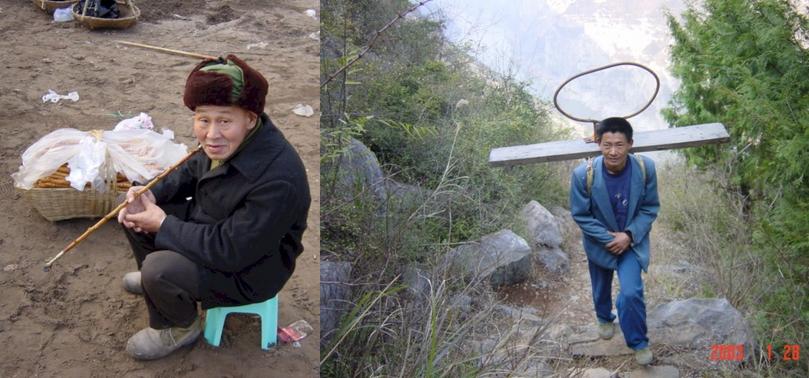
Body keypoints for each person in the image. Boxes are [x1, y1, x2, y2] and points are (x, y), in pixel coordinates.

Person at [116, 55, 311, 360]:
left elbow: (231, 251)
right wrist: (151, 193)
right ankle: (163, 290)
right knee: (137, 213)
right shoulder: (228, 143)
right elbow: (189, 169)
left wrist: (165, 225)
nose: (211, 133)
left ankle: (179, 326)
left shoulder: (278, 178)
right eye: (203, 119)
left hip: (252, 269)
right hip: (215, 227)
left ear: (249, 118)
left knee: (159, 267)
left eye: (224, 120)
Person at [569, 117, 659, 365]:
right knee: (600, 284)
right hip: (600, 241)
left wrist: (628, 236)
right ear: (598, 143)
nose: (613, 151)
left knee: (631, 293)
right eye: (607, 144)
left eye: (619, 144)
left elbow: (650, 208)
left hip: (631, 241)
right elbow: (580, 214)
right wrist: (607, 238)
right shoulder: (583, 175)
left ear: (630, 143)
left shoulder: (645, 168)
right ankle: (603, 317)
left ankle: (638, 342)